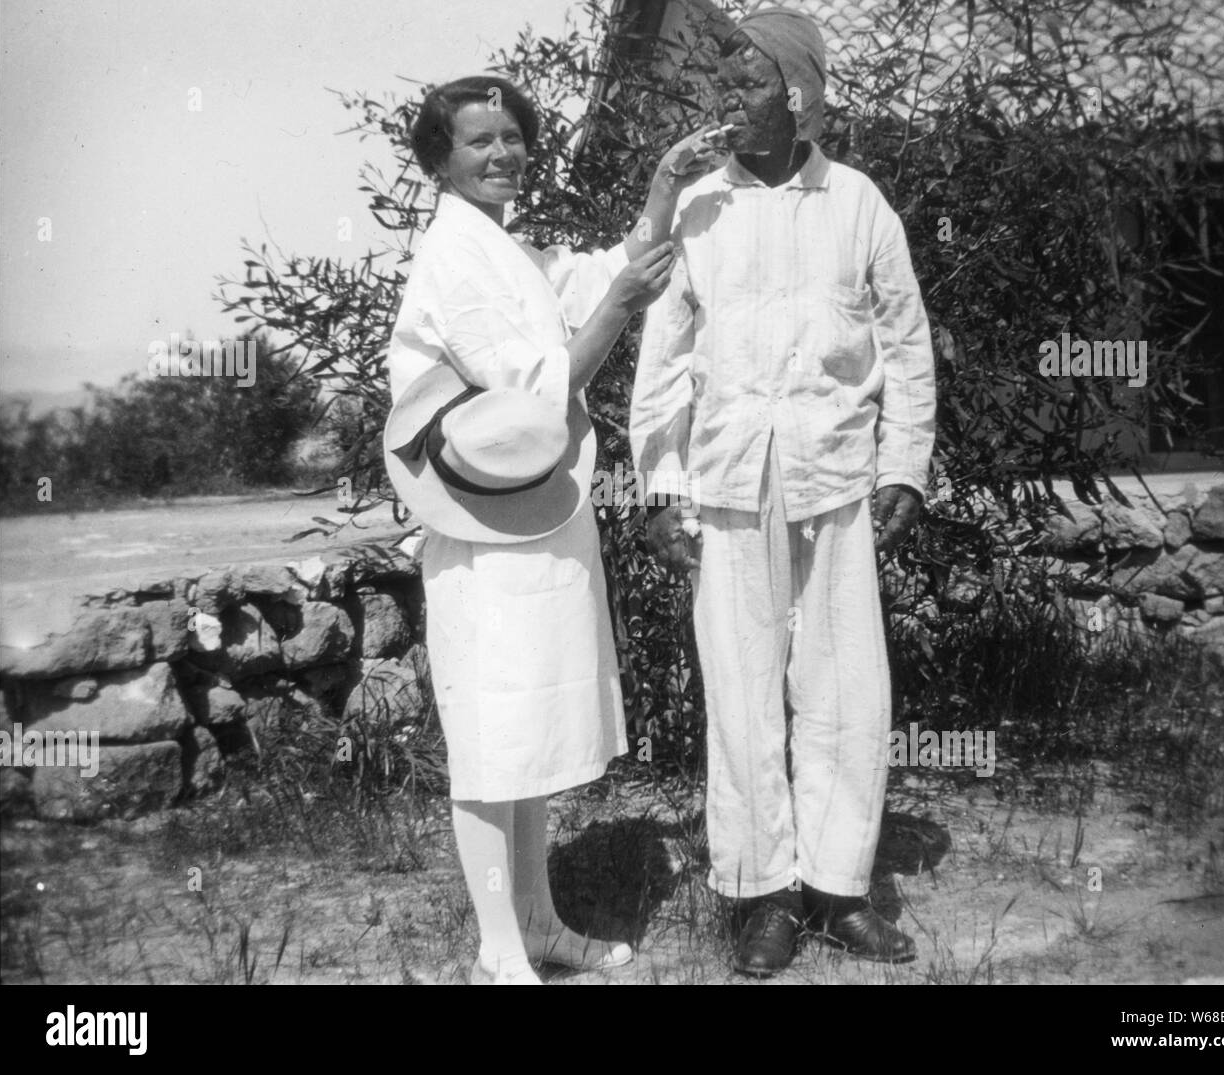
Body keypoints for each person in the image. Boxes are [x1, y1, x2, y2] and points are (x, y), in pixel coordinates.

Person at [384, 75, 719, 985]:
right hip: (479, 527)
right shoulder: (453, 258)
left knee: (525, 731)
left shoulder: (509, 248)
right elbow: (536, 392)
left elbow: (610, 268)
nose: (502, 154)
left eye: (512, 136)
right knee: (490, 739)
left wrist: (665, 186)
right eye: (478, 141)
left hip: (534, 514)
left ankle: (538, 923)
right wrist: (618, 309)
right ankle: (498, 948)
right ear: (440, 160)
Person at [630, 8, 937, 977]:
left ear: (799, 95)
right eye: (720, 79)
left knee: (845, 689)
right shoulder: (699, 210)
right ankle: (763, 894)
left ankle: (838, 891)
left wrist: (903, 466)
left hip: (835, 478)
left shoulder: (858, 204)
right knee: (741, 690)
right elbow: (663, 361)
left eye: (746, 79)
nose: (725, 96)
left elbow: (906, 345)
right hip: (727, 484)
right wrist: (659, 486)